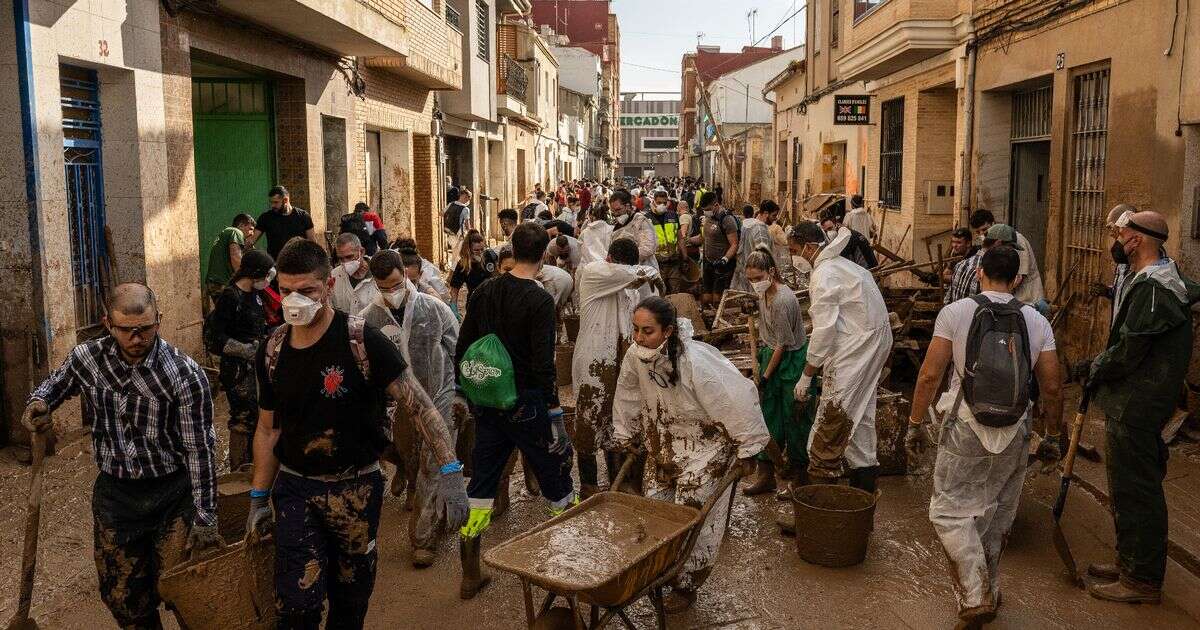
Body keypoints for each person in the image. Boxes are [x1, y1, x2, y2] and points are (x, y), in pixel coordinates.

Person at [245, 239, 468, 627]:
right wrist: (259, 497)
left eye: (307, 291)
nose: (294, 301)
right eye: (285, 291)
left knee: (349, 604)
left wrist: (450, 472)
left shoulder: (363, 341)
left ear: (328, 287)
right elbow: (268, 429)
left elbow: (420, 405)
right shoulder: (273, 349)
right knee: (296, 607)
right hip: (297, 489)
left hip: (357, 490)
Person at [24, 283, 219, 629]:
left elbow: (199, 449)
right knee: (123, 597)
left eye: (145, 328)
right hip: (116, 496)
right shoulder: (88, 358)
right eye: (127, 330)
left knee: (188, 592)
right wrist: (39, 403)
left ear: (158, 320)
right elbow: (55, 385)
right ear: (108, 324)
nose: (137, 338)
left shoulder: (184, 375)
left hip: (173, 494)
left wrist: (205, 516)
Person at [904, 245, 1063, 629]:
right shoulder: (1037, 321)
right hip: (1015, 430)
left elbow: (929, 375)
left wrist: (913, 423)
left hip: (965, 425)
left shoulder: (955, 313)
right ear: (1019, 281)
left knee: (948, 511)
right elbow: (1054, 387)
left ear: (979, 274)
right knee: (996, 515)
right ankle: (988, 587)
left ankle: (975, 594)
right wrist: (1053, 436)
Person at [1072, 211, 1200, 604]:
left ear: (1138, 240)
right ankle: (1130, 562)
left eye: (1121, 232)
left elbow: (1128, 351)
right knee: (1127, 487)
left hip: (1138, 403)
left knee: (1136, 490)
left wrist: (1091, 368)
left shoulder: (1155, 289)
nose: (1116, 238)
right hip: (1135, 399)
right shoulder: (1153, 277)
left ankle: (1141, 579)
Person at [611, 296, 769, 612]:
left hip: (706, 451)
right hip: (664, 446)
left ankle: (686, 585)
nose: (639, 338)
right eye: (636, 330)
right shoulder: (635, 355)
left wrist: (748, 447)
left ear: (668, 331)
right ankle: (661, 572)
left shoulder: (696, 362)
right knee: (657, 512)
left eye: (648, 331)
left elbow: (734, 400)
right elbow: (627, 393)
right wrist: (625, 432)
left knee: (694, 520)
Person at [454, 222, 577, 599]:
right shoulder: (539, 300)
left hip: (489, 404)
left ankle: (471, 573)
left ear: (511, 248)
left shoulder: (485, 290)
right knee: (556, 474)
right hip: (526, 404)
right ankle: (564, 567)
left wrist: (471, 393)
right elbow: (543, 363)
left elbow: (463, 346)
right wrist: (554, 412)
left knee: (481, 483)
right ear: (543, 256)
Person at [359, 250, 460, 568]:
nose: (391, 292)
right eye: (383, 287)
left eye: (395, 283)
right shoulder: (369, 320)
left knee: (433, 463)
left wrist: (460, 395)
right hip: (398, 403)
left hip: (437, 396)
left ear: (406, 274)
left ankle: (422, 538)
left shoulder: (434, 309)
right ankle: (414, 485)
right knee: (408, 456)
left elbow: (457, 351)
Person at [790, 222, 892, 491]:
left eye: (794, 250)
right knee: (860, 425)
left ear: (809, 248)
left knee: (828, 428)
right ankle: (861, 506)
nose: (793, 257)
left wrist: (807, 375)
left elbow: (824, 330)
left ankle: (819, 512)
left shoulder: (824, 274)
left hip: (855, 351)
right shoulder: (848, 267)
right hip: (870, 346)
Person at [572, 239, 662, 497]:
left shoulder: (630, 287)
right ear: (610, 259)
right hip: (593, 362)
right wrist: (654, 277)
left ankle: (616, 482)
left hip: (620, 358)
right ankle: (588, 485)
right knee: (589, 421)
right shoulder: (595, 272)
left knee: (618, 419)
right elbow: (640, 273)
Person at [741, 247, 816, 498]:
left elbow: (782, 345)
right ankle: (766, 475)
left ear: (770, 272)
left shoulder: (783, 300)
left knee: (794, 419)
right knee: (768, 417)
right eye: (750, 280)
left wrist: (764, 377)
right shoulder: (764, 295)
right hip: (770, 356)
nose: (754, 284)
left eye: (757, 278)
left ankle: (800, 479)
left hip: (789, 361)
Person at [208, 249, 274, 471]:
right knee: (242, 418)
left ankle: (256, 465)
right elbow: (216, 338)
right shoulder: (230, 296)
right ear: (254, 273)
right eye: (265, 274)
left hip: (255, 366)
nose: (268, 279)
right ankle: (238, 471)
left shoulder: (255, 295)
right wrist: (245, 350)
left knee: (259, 416)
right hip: (238, 370)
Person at [969, 209, 1045, 311]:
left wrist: (997, 294)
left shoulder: (1016, 240)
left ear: (993, 223)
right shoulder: (986, 247)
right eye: (978, 232)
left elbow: (1019, 276)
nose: (982, 234)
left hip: (1027, 300)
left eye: (984, 230)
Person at [1091, 204, 1138, 320]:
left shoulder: (1139, 258)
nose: (1111, 233)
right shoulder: (1122, 257)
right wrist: (1107, 291)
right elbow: (1123, 291)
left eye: (1111, 228)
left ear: (1122, 226)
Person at [251, 185, 319, 260]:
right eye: (271, 202)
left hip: (300, 262)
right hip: (276, 263)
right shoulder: (266, 218)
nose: (272, 205)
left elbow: (312, 242)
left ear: (286, 200)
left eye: (276, 202)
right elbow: (252, 240)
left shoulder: (303, 216)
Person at [697, 192, 739, 308]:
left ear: (716, 205)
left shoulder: (727, 219)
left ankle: (719, 322)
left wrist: (725, 259)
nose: (706, 212)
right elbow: (704, 237)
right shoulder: (708, 218)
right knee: (706, 297)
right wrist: (687, 240)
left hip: (722, 266)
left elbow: (734, 244)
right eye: (704, 210)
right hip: (708, 263)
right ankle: (706, 321)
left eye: (708, 209)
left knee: (718, 299)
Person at [205, 213, 256, 305]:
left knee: (226, 315)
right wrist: (245, 281)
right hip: (222, 283)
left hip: (215, 283)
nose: (252, 233)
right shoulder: (235, 232)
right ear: (241, 225)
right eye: (250, 229)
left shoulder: (227, 233)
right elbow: (235, 257)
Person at [609, 189, 659, 275]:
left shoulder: (640, 221)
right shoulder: (616, 226)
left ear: (627, 206)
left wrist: (624, 260)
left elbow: (648, 248)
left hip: (644, 270)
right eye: (613, 212)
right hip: (624, 272)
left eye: (618, 210)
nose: (616, 214)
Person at [330, 233, 379, 315]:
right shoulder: (334, 276)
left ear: (362, 252)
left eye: (349, 257)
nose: (345, 262)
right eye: (341, 258)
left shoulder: (379, 273)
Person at [647, 188, 685, 294]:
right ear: (653, 202)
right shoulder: (647, 219)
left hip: (674, 262)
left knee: (676, 293)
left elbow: (680, 238)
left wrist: (685, 257)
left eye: (664, 203)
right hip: (657, 264)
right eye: (659, 203)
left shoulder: (672, 215)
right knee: (659, 293)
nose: (662, 205)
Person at [732, 202, 775, 292]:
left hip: (746, 270)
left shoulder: (745, 225)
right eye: (774, 215)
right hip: (757, 273)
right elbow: (763, 255)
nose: (775, 218)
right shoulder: (759, 228)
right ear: (766, 213)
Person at [449, 231, 499, 307]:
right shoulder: (463, 264)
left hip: (492, 303)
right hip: (474, 304)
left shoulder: (489, 256)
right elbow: (454, 289)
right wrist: (453, 306)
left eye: (482, 249)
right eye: (476, 250)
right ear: (468, 250)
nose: (480, 253)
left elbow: (499, 274)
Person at [393, 237, 451, 302]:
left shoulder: (429, 294)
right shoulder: (390, 294)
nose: (408, 287)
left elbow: (442, 297)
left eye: (412, 282)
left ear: (420, 275)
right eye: (403, 282)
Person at [944, 227, 983, 305]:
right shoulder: (956, 255)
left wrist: (957, 278)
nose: (954, 245)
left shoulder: (975, 257)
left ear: (968, 243)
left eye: (958, 242)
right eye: (953, 242)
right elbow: (944, 275)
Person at [443, 188, 473, 258]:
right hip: (460, 233)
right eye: (468, 199)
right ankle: (457, 267)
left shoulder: (451, 204)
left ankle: (453, 268)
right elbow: (467, 224)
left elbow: (441, 213)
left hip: (450, 232)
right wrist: (471, 233)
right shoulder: (466, 209)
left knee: (454, 251)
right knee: (460, 253)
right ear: (467, 198)